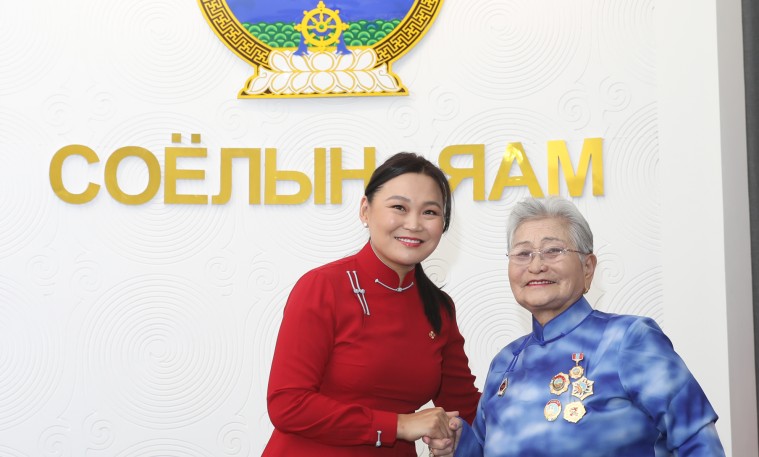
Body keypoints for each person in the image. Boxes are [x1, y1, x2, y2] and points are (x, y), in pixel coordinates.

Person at [450, 196, 724, 456]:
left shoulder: (628, 339)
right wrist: (456, 442)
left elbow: (696, 439)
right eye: (523, 253)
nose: (536, 265)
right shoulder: (505, 361)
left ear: (588, 268)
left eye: (553, 251)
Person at [263, 152, 481, 456]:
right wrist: (399, 425)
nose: (414, 224)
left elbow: (466, 408)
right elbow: (288, 404)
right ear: (365, 210)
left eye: (430, 212)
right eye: (399, 207)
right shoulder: (323, 286)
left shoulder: (438, 307)